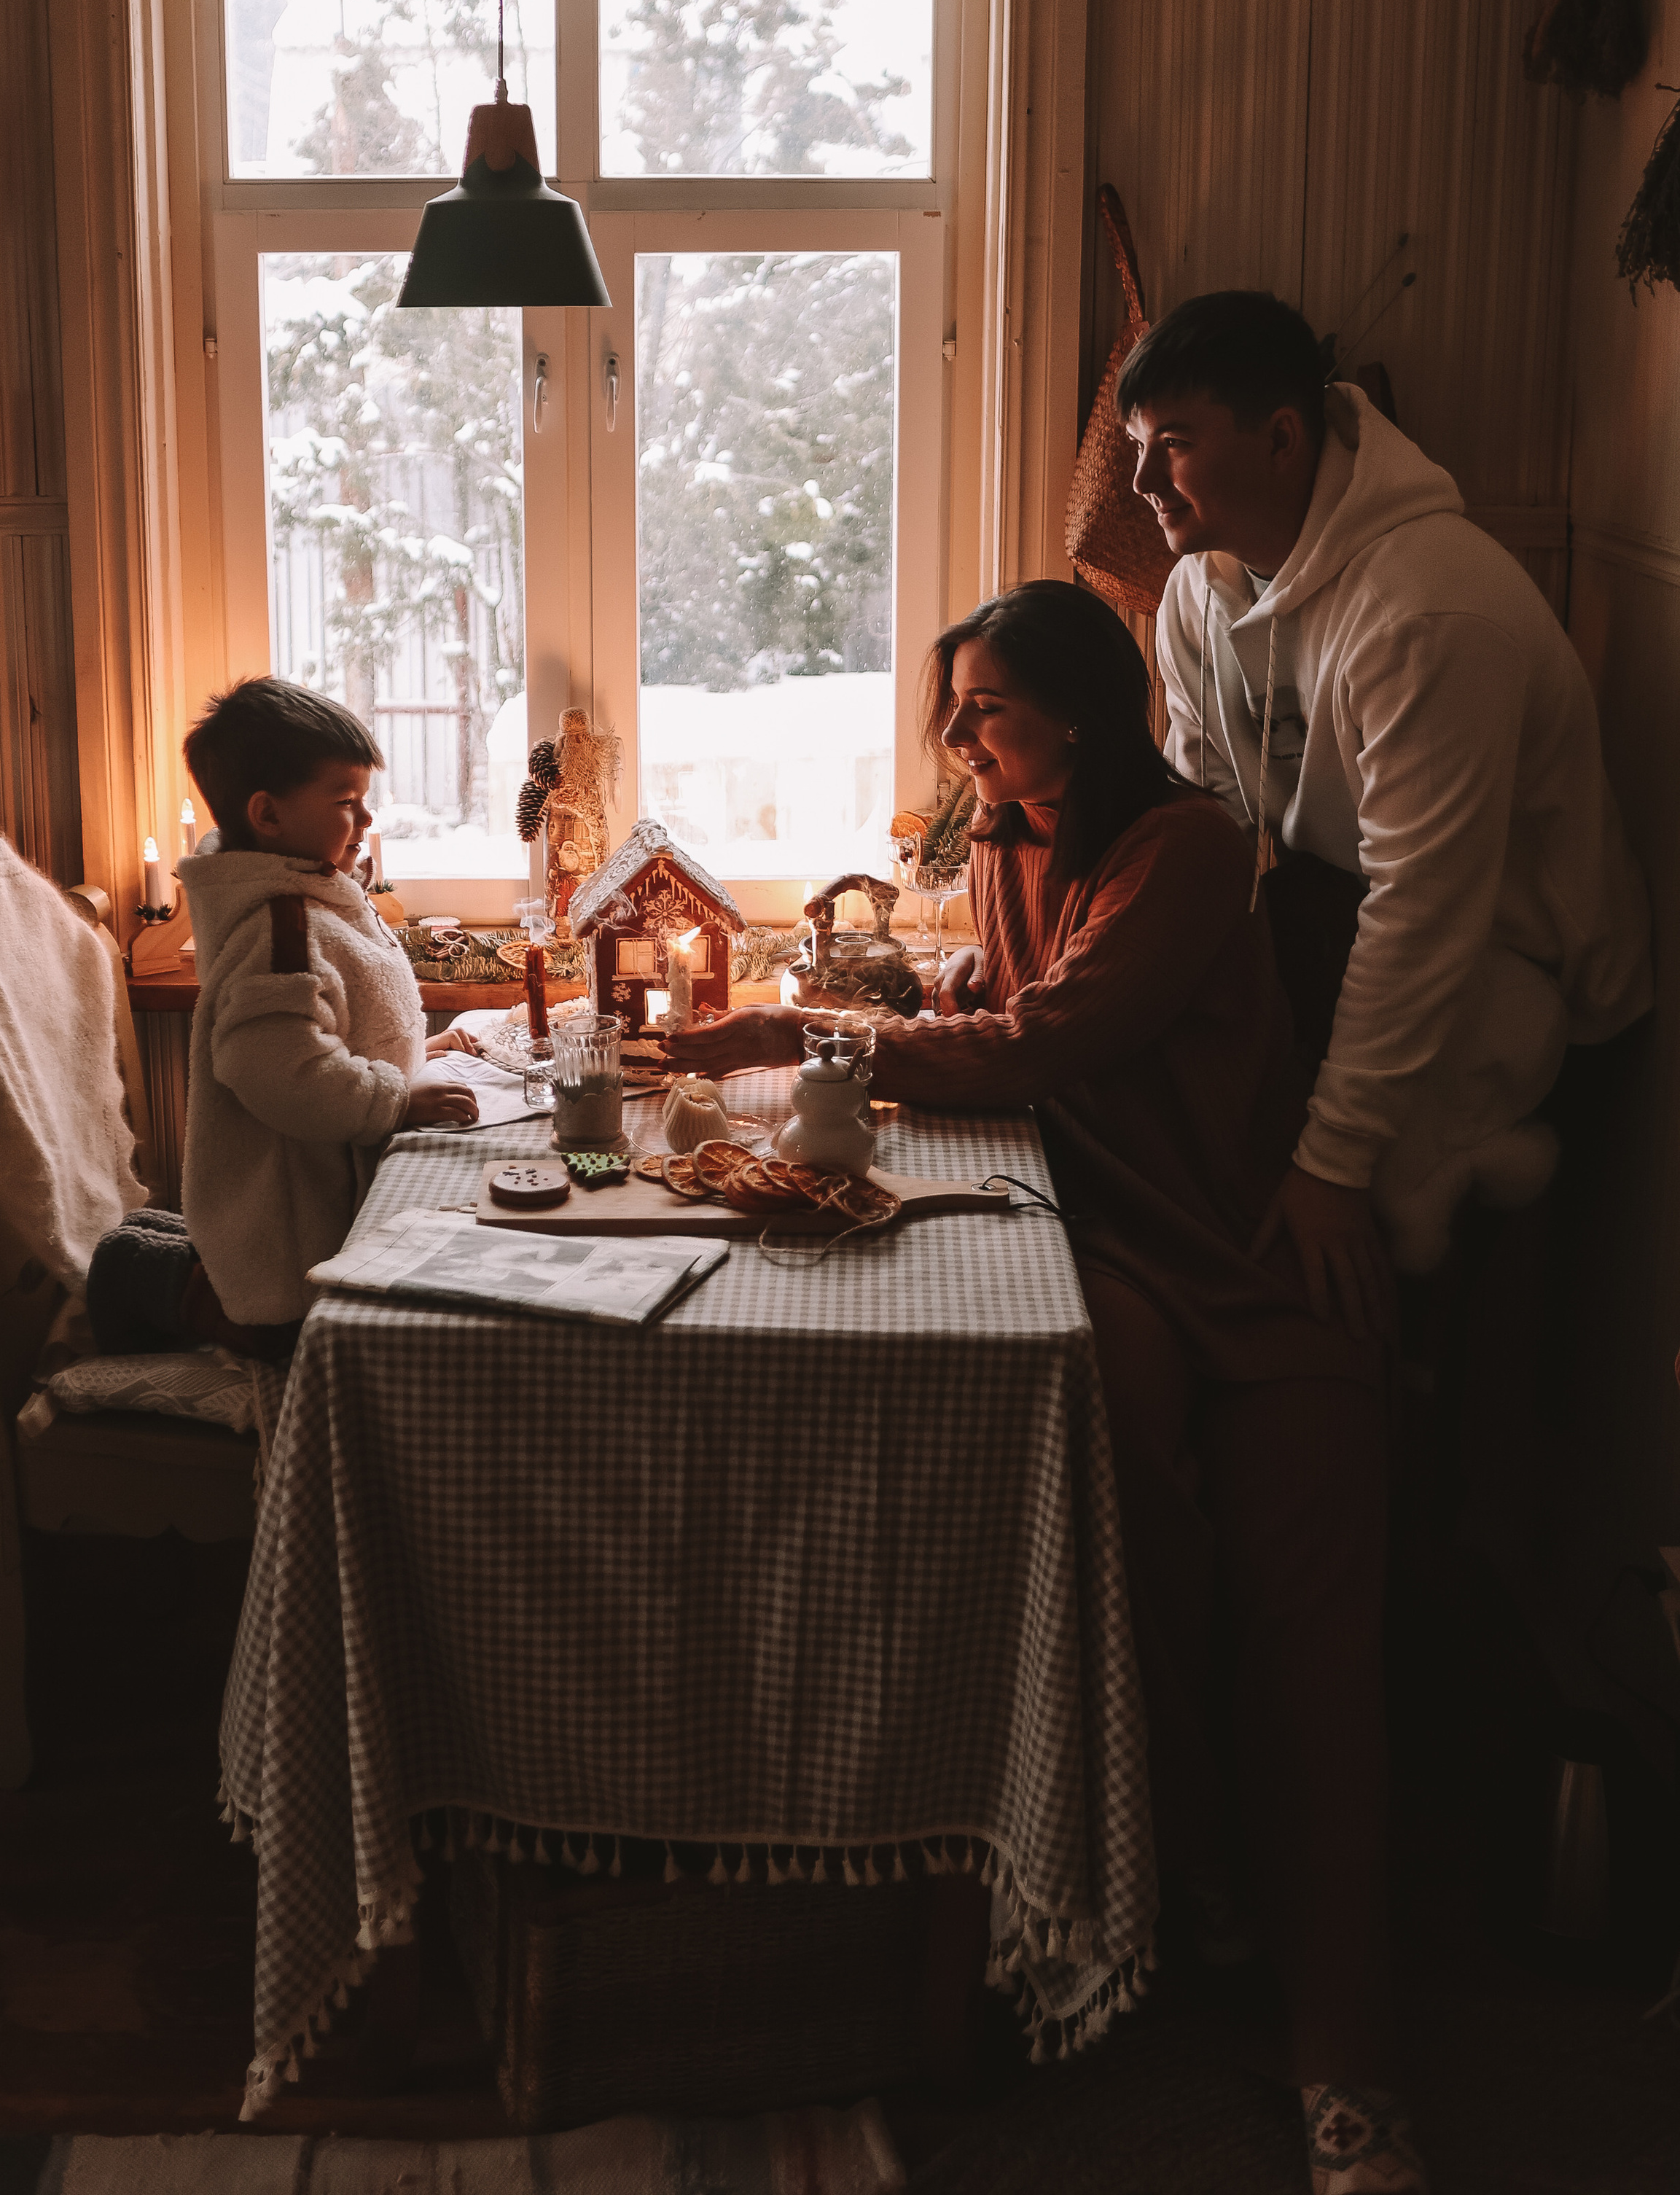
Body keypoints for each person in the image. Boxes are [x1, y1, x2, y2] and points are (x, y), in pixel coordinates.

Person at [664, 582, 1424, 2195]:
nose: (956, 739)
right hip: (1111, 1253)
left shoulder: (1187, 850)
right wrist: (887, 1008)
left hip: (1239, 1257)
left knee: (1310, 1650)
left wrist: (783, 1035)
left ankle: (1344, 2065)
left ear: (1079, 711)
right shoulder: (1017, 838)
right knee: (1125, 1561)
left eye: (983, 709)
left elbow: (1033, 1044)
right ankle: (1176, 1900)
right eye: (956, 711)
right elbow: (982, 1007)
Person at [1119, 293, 1651, 1320]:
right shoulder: (1195, 589)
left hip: (1521, 975)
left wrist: (1334, 1164)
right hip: (1344, 920)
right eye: (1139, 444)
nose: (1141, 480)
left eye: (1172, 444)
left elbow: (1427, 907)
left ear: (1281, 438)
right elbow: (1207, 816)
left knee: (1338, 1253)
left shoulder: (1430, 611)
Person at [86, 677, 480, 1363]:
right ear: (267, 816)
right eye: (346, 804)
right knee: (280, 1328)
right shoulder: (282, 930)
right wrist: (395, 1098)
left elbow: (342, 1028)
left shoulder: (315, 897)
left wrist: (422, 1054)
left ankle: (168, 1248)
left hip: (313, 1205)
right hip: (292, 1251)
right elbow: (280, 1070)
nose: (364, 823)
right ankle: (145, 1278)